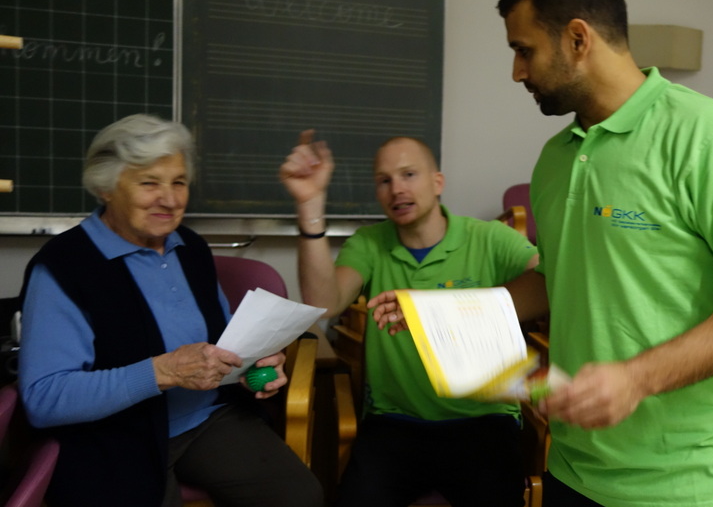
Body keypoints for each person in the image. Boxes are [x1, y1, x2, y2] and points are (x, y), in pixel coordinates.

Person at [496, 0, 713, 507]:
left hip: (690, 481)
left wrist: (636, 379)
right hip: (573, 466)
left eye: (524, 50)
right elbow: (558, 277)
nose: (517, 72)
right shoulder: (554, 159)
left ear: (578, 39)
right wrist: (448, 316)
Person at [17, 115, 323, 507]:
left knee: (300, 496)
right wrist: (162, 372)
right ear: (105, 188)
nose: (170, 199)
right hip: (114, 434)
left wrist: (251, 366)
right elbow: (43, 400)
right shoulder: (63, 267)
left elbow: (222, 343)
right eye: (149, 183)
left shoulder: (190, 247)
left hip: (207, 418)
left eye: (179, 182)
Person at [278, 131, 539, 507]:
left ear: (437, 182)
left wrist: (442, 309)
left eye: (409, 175)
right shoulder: (369, 243)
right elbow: (324, 303)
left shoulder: (490, 238)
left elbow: (549, 284)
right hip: (394, 423)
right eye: (384, 180)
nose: (396, 189)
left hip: (483, 420)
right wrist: (309, 204)